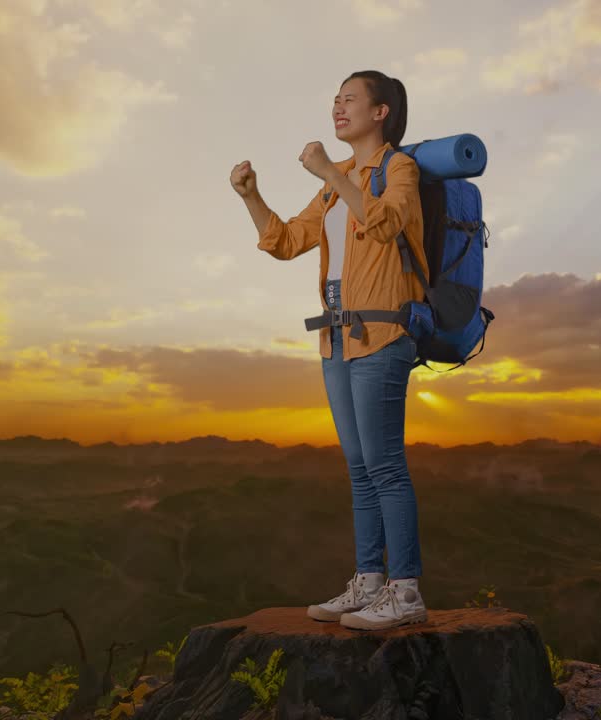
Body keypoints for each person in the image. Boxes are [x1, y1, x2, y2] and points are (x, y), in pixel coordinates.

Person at [229, 70, 430, 631]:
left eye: (349, 99)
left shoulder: (398, 169)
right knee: (359, 467)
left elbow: (385, 221)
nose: (338, 107)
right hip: (336, 336)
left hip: (385, 332)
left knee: (387, 465)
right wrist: (252, 196)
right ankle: (369, 582)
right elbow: (287, 240)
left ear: (381, 111)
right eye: (334, 100)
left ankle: (406, 589)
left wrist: (329, 175)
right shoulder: (335, 179)